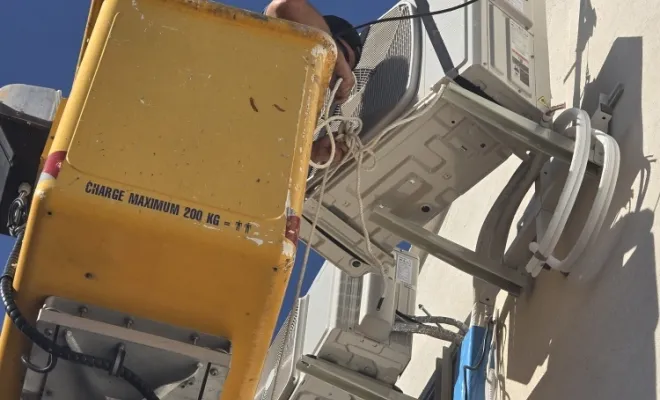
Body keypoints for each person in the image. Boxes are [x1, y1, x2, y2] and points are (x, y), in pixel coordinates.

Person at [264, 0, 363, 166]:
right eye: (341, 52)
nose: (336, 76)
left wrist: (312, 152)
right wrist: (336, 60)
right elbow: (285, 6)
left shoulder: (292, 112)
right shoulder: (272, 44)